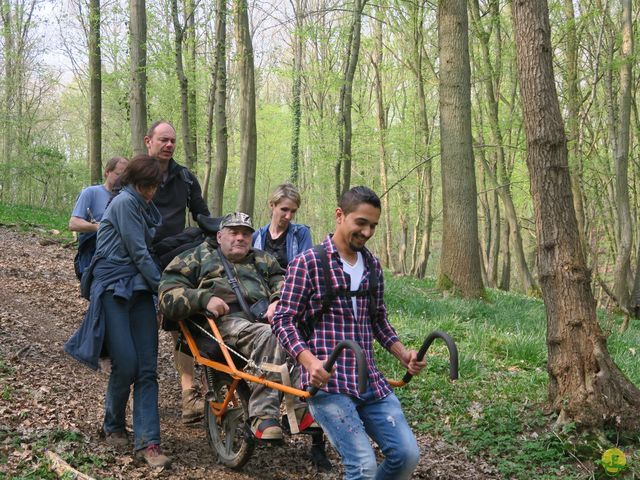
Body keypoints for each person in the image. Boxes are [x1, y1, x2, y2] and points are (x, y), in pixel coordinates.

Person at [272, 186, 426, 480]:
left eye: (373, 226)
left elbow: (378, 319)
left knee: (406, 456)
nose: (367, 232)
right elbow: (283, 319)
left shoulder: (372, 265)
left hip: (369, 381)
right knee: (363, 466)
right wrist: (309, 362)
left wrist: (403, 353)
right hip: (329, 384)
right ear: (340, 215)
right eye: (361, 223)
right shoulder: (308, 263)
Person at [158, 212, 315, 441]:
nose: (240, 238)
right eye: (234, 233)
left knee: (302, 332)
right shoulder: (196, 257)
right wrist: (203, 299)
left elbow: (282, 280)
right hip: (221, 324)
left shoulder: (263, 259)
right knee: (272, 335)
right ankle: (263, 416)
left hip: (261, 319)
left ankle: (299, 409)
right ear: (220, 236)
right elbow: (167, 294)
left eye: (245, 234)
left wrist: (277, 299)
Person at [64, 155, 171, 468]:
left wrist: (157, 290)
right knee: (125, 363)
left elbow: (147, 251)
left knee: (147, 368)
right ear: (133, 182)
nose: (150, 192)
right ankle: (113, 424)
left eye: (153, 187)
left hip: (140, 292)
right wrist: (165, 290)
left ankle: (149, 443)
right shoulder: (124, 204)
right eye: (145, 186)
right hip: (113, 289)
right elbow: (138, 252)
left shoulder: (144, 208)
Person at [144, 120, 211, 423]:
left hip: (174, 263)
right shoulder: (134, 175)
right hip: (138, 261)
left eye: (172, 140)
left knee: (181, 324)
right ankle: (138, 401)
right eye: (163, 140)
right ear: (149, 141)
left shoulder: (185, 178)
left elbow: (203, 217)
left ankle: (189, 396)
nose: (169, 145)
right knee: (140, 331)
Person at [69, 156, 128, 279]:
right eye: (118, 174)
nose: (122, 179)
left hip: (120, 258)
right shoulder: (90, 193)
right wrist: (98, 227)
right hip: (92, 253)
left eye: (126, 175)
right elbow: (73, 223)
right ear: (107, 172)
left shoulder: (128, 198)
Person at [252, 183, 312, 269]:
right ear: (272, 205)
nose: (288, 216)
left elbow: (306, 268)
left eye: (293, 211)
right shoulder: (257, 236)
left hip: (291, 281)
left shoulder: (301, 234)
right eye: (284, 209)